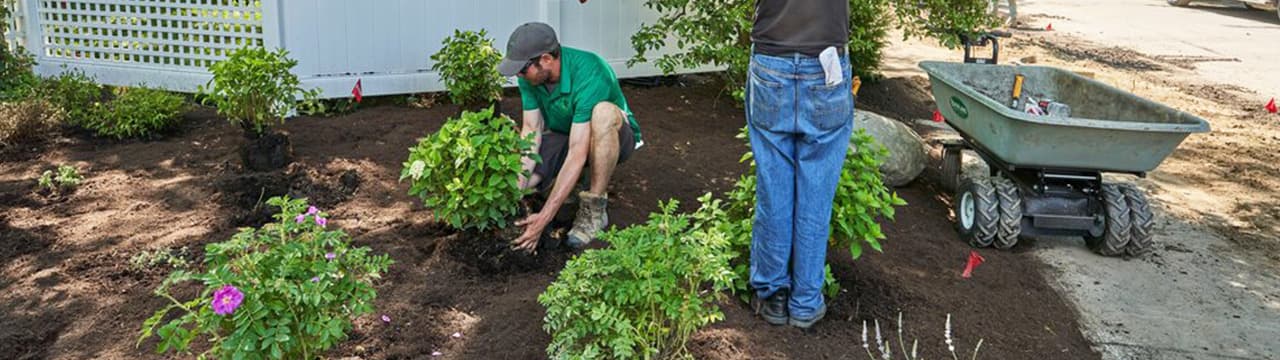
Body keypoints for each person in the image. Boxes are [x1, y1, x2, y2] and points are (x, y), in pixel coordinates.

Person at [747, 0, 855, 329]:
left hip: (772, 59)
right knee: (815, 196)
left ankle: (773, 296)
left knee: (774, 188)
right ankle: (806, 302)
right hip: (825, 62)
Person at [497, 22, 643, 252]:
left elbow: (577, 152)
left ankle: (593, 209)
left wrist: (545, 217)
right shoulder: (531, 78)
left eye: (523, 69)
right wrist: (515, 192)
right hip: (564, 133)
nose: (519, 75)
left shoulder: (591, 71)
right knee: (527, 178)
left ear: (546, 59)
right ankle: (523, 200)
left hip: (611, 137)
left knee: (602, 114)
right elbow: (531, 130)